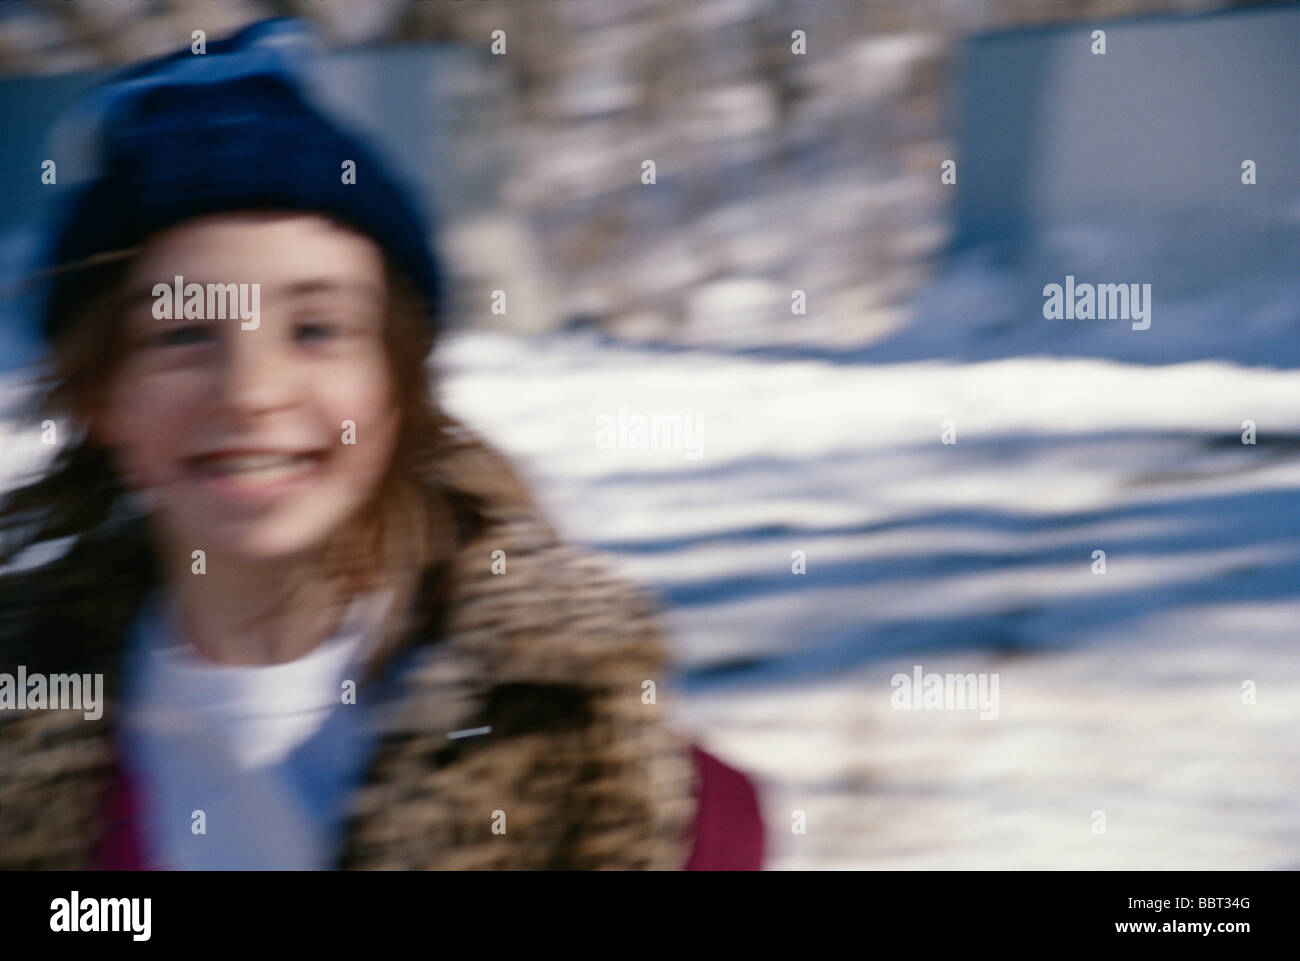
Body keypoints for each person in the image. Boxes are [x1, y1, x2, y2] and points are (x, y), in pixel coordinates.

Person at [0, 18, 763, 871]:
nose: (252, 391)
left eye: (318, 329)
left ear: (398, 384)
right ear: (101, 394)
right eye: (182, 333)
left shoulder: (597, 764)